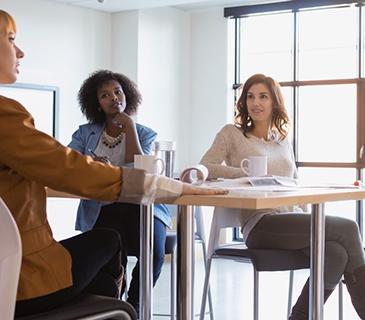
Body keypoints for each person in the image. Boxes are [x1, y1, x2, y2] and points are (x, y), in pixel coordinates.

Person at [0, 10, 227, 317]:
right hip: (20, 280)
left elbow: (74, 165)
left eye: (117, 92)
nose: (21, 51)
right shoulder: (10, 118)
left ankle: (126, 304)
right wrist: (168, 186)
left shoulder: (143, 131)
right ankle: (123, 308)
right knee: (107, 242)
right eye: (11, 39)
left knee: (120, 259)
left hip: (132, 211)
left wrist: (128, 133)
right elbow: (68, 166)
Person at [200, 74, 365, 320]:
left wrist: (315, 226)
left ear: (274, 102)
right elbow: (206, 166)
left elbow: (296, 187)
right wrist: (247, 173)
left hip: (290, 222)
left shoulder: (282, 140)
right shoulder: (232, 134)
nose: (255, 102)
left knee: (335, 253)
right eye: (250, 96)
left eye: (263, 96)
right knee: (348, 228)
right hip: (260, 224)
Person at [67, 69, 172, 311]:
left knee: (155, 253)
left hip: (143, 205)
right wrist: (91, 165)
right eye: (105, 95)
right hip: (104, 205)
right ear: (97, 104)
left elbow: (139, 165)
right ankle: (114, 305)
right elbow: (69, 161)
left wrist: (130, 126)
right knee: (113, 253)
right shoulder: (85, 133)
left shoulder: (145, 133)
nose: (114, 98)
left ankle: (134, 305)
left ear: (127, 95)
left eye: (118, 92)